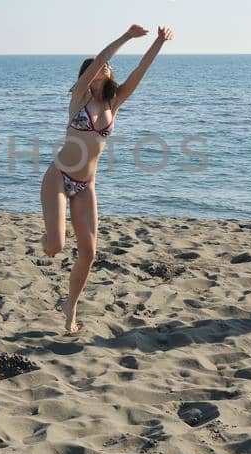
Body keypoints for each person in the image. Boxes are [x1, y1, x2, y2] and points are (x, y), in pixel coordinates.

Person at [40, 24, 172, 334]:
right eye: (101, 67)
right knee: (55, 246)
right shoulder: (78, 98)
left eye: (109, 68)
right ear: (91, 73)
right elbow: (100, 58)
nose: (106, 68)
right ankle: (46, 238)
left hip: (86, 186)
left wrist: (158, 42)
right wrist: (126, 37)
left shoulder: (114, 103)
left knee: (89, 253)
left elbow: (141, 70)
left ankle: (70, 307)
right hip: (58, 177)